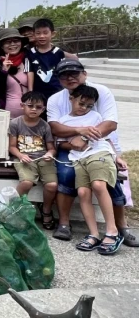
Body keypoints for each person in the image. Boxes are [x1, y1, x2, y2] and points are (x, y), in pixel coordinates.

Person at [47, 59, 135, 248]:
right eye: (64, 75)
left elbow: (109, 124)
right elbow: (55, 128)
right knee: (66, 173)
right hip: (70, 149)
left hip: (98, 147)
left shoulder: (101, 92)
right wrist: (78, 132)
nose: (70, 78)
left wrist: (85, 138)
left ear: (84, 74)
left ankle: (120, 226)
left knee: (106, 175)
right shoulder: (55, 99)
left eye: (74, 73)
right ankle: (64, 223)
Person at [56, 84, 121, 255]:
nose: (84, 108)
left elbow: (107, 138)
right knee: (83, 192)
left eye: (89, 106)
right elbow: (60, 143)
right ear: (71, 99)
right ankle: (94, 234)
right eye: (81, 103)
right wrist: (72, 144)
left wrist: (117, 156)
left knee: (99, 185)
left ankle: (112, 231)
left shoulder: (96, 116)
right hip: (78, 159)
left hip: (99, 153)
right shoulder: (64, 121)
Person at [7, 91, 58, 230]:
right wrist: (20, 155)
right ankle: (14, 209)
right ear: (22, 105)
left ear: (43, 109)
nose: (34, 109)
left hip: (43, 158)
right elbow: (12, 147)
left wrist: (50, 153)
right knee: (26, 182)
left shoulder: (45, 125)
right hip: (24, 158)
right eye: (30, 106)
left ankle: (46, 210)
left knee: (52, 185)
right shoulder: (15, 123)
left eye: (38, 107)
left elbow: (51, 148)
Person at [27, 18, 76, 100]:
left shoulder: (58, 52)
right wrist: (30, 91)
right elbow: (30, 72)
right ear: (34, 35)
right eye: (38, 33)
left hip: (57, 91)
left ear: (53, 34)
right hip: (38, 94)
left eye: (45, 33)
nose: (42, 36)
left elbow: (65, 70)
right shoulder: (30, 53)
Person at [0, 28, 30, 118]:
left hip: (31, 116)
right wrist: (3, 72)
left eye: (16, 41)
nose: (12, 44)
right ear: (1, 46)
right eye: (7, 42)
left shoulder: (30, 60)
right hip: (6, 116)